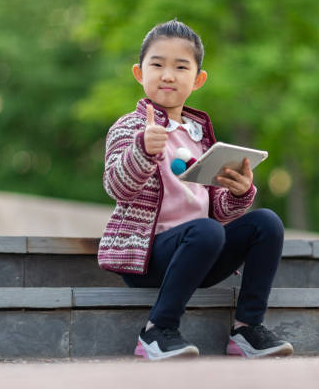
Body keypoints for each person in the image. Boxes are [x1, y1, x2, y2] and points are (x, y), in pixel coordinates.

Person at [98, 20, 293, 360]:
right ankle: (156, 331)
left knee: (267, 223)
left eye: (180, 67)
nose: (167, 75)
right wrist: (142, 151)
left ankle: (247, 329)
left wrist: (237, 193)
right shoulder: (129, 127)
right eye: (157, 64)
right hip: (147, 256)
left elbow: (214, 207)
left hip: (201, 250)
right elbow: (116, 187)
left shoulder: (198, 134)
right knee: (206, 232)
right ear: (139, 73)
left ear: (198, 79)